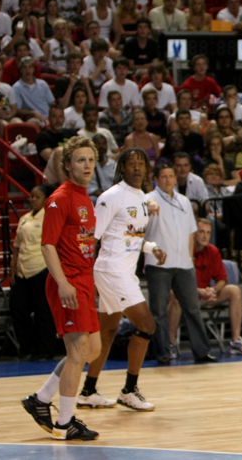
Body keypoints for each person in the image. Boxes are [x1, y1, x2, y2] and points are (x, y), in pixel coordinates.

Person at [21, 136, 102, 441]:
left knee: (91, 351)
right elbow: (47, 246)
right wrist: (63, 282)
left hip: (83, 280)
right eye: (80, 160)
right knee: (77, 351)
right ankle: (64, 423)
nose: (87, 165)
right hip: (66, 282)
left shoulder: (85, 198)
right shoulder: (60, 198)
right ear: (67, 166)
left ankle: (40, 400)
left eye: (91, 160)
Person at [77, 148, 164, 412]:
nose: (137, 168)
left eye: (141, 164)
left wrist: (151, 248)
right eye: (132, 164)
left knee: (107, 330)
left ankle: (88, 391)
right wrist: (84, 276)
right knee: (147, 325)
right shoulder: (111, 196)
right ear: (122, 168)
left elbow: (130, 235)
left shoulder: (142, 197)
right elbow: (92, 237)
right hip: (111, 270)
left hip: (124, 271)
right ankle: (129, 390)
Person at [146, 163, 217, 365]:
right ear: (156, 179)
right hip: (158, 264)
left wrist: (191, 259)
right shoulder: (148, 199)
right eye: (163, 176)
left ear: (176, 179)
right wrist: (148, 207)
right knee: (159, 310)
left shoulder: (185, 201)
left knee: (192, 308)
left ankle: (201, 352)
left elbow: (190, 233)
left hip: (184, 263)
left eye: (171, 176)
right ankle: (163, 353)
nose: (168, 179)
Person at [167, 219, 242, 356]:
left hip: (206, 295)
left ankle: (236, 341)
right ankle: (170, 344)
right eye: (201, 232)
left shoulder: (213, 251)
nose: (205, 236)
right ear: (193, 233)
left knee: (234, 290)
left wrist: (214, 291)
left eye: (208, 232)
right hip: (186, 296)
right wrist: (200, 291)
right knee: (175, 295)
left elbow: (222, 279)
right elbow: (175, 283)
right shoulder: (183, 250)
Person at [9, 184, 57, 361]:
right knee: (17, 308)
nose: (33, 199)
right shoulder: (24, 218)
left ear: (46, 199)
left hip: (42, 268)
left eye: (37, 196)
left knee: (43, 311)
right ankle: (26, 347)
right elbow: (16, 245)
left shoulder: (50, 217)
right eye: (31, 196)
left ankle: (45, 349)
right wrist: (13, 265)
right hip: (23, 270)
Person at [35, 105, 78, 184]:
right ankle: (65, 192)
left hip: (72, 167)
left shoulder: (72, 133)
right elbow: (50, 156)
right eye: (54, 117)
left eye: (60, 117)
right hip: (52, 172)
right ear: (49, 119)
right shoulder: (42, 136)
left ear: (64, 119)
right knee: (58, 152)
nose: (58, 120)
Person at [12, 57, 54, 125]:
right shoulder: (17, 87)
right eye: (24, 67)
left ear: (33, 69)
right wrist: (33, 112)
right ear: (21, 70)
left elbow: (52, 103)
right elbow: (17, 110)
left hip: (48, 117)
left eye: (30, 67)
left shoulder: (42, 84)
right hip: (32, 118)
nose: (27, 70)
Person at [86, 133, 117, 198]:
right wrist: (104, 196)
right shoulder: (87, 165)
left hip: (113, 197)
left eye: (104, 144)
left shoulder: (113, 164)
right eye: (98, 144)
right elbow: (90, 188)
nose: (101, 146)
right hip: (96, 197)